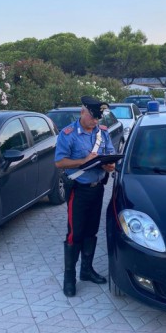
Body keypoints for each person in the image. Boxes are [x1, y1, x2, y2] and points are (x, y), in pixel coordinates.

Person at [55, 95, 116, 297]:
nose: (95, 121)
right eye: (93, 117)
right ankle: (69, 277)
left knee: (91, 230)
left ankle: (87, 271)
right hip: (79, 190)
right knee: (75, 233)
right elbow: (60, 162)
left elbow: (111, 158)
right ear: (83, 112)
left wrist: (109, 165)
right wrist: (83, 161)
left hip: (97, 188)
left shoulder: (103, 133)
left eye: (98, 118)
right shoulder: (68, 134)